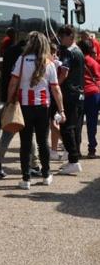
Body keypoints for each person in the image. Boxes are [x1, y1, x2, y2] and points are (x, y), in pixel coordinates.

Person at [6, 31, 65, 190]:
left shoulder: (22, 60)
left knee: (25, 143)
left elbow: (13, 83)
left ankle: (26, 179)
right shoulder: (50, 63)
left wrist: (9, 101)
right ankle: (46, 175)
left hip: (25, 107)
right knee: (42, 142)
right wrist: (62, 110)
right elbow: (56, 89)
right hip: (43, 108)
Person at [0, 31, 41, 179]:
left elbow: (7, 76)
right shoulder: (28, 58)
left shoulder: (10, 51)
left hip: (10, 97)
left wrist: (7, 99)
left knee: (9, 130)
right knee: (27, 131)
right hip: (23, 98)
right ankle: (35, 165)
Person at [57, 25, 85, 174]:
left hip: (69, 94)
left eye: (62, 37)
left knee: (66, 127)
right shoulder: (79, 51)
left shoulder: (68, 52)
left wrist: (54, 85)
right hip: (80, 94)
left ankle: (73, 161)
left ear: (70, 36)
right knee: (75, 128)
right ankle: (73, 158)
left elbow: (64, 73)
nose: (61, 40)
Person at [79, 38, 100, 158]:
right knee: (92, 124)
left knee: (78, 123)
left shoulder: (77, 60)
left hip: (82, 94)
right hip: (94, 94)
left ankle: (76, 148)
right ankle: (92, 149)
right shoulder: (94, 62)